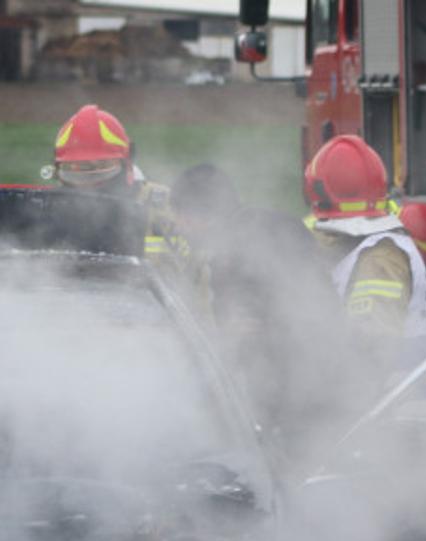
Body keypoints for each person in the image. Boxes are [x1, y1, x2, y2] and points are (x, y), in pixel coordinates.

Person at [171, 163, 352, 455]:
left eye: (182, 215)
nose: (179, 226)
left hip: (293, 405)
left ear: (203, 213)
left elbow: (243, 335)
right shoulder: (275, 224)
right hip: (332, 385)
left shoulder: (231, 255)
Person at [301, 135, 426, 382]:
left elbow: (374, 350)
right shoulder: (371, 247)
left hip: (398, 412)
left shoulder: (379, 260)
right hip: (395, 409)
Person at [51, 104, 206, 316]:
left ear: (128, 162)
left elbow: (199, 284)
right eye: (75, 173)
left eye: (99, 170)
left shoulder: (166, 211)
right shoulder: (47, 214)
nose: (87, 187)